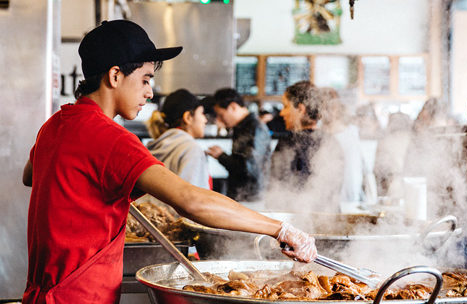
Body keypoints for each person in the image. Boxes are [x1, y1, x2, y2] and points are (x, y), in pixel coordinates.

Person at [21, 20, 316, 303]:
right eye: (145, 80)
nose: (149, 93)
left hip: (42, 292)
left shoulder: (57, 123)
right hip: (82, 297)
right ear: (114, 76)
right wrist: (280, 229)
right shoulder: (111, 138)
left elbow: (30, 175)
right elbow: (191, 201)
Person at [269, 81, 343, 212]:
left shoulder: (288, 143)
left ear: (300, 109)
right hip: (329, 221)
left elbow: (277, 191)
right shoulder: (332, 142)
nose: (282, 113)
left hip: (297, 222)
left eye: (286, 106)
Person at [206, 88, 272, 201]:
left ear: (233, 107)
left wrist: (221, 156)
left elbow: (249, 169)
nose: (219, 120)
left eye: (221, 115)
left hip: (250, 198)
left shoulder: (255, 128)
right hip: (240, 195)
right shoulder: (241, 127)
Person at [146, 88, 211, 190]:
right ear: (188, 117)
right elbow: (192, 198)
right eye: (202, 113)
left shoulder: (155, 146)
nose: (205, 120)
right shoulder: (191, 149)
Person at [320, 87, 373, 204]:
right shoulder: (320, 135)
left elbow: (353, 177)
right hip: (332, 203)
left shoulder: (351, 134)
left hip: (348, 202)